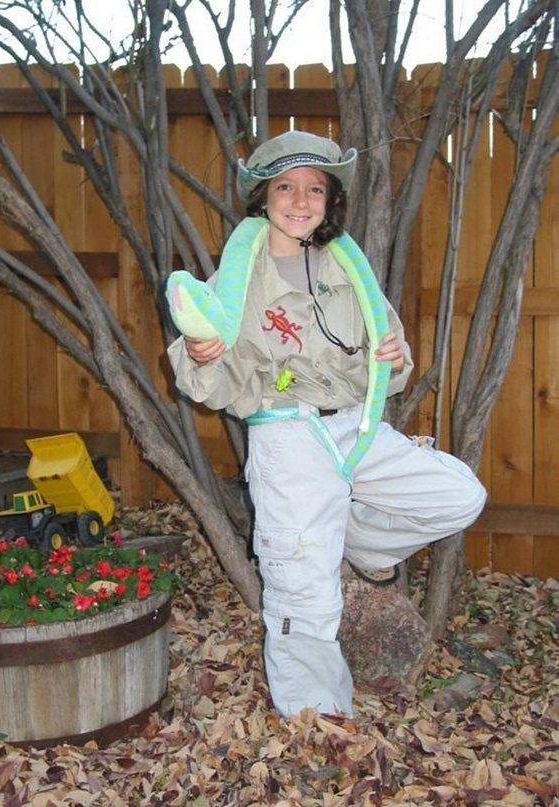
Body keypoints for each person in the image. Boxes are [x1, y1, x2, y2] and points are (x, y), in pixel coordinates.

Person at [167, 130, 486, 719]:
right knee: (302, 589)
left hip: (356, 430)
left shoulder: (347, 266)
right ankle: (319, 721)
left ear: (331, 199)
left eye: (315, 187)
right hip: (287, 438)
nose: (299, 199)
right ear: (262, 197)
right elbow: (196, 361)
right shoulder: (238, 276)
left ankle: (360, 543)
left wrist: (393, 360)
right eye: (284, 186)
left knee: (458, 494)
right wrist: (200, 350)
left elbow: (389, 353)